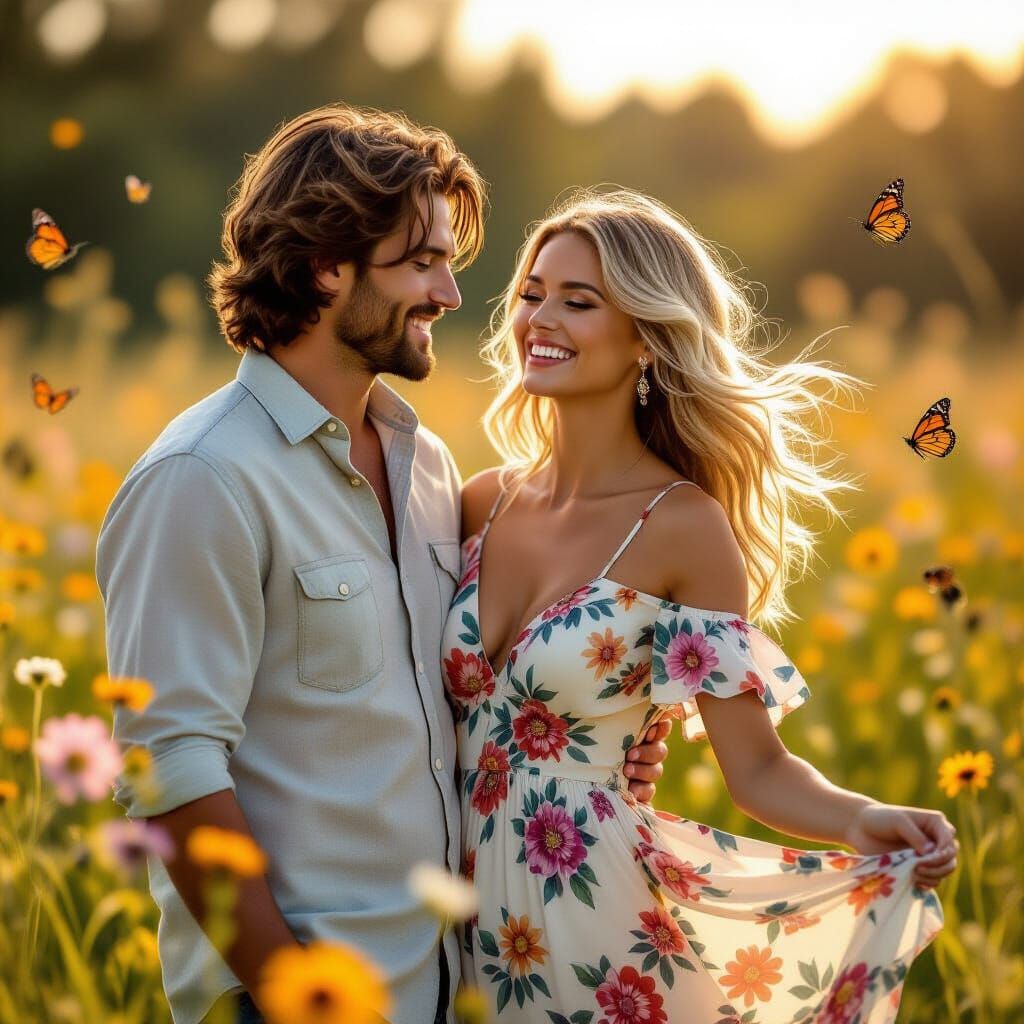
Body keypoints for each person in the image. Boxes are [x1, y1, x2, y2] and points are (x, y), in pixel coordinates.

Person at [96, 107, 670, 1024]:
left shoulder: (427, 463)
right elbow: (171, 769)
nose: (450, 291)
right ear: (327, 265)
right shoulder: (201, 477)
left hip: (453, 983)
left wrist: (606, 739)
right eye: (420, 262)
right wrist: (302, 1000)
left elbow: (459, 696)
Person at [444, 188, 958, 1023]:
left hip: (592, 923)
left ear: (647, 337)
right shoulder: (478, 501)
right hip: (451, 920)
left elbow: (756, 769)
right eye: (534, 292)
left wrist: (870, 819)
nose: (541, 317)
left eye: (580, 301)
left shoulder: (684, 527)